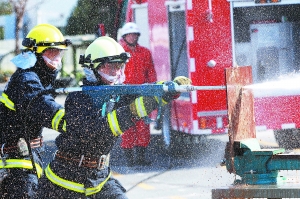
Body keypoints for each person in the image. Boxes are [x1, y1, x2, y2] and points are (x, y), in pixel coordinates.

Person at [36, 36, 191, 198]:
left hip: (99, 178)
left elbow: (141, 91)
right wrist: (131, 112)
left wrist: (165, 90)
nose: (116, 72)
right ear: (93, 69)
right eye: (110, 67)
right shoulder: (78, 99)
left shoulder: (115, 93)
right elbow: (96, 132)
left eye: (119, 66)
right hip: (65, 182)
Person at [0, 23, 71, 198]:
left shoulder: (34, 76)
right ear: (36, 53)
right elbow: (45, 108)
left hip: (25, 159)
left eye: (59, 53)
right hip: (16, 165)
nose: (57, 59)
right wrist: (77, 124)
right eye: (51, 53)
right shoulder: (27, 80)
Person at [119, 22, 157, 166]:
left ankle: (141, 158)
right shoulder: (119, 52)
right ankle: (130, 161)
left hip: (142, 94)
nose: (132, 37)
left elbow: (151, 72)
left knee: (143, 127)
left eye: (135, 34)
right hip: (125, 94)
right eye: (129, 34)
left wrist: (152, 89)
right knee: (128, 126)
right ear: (125, 36)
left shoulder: (145, 52)